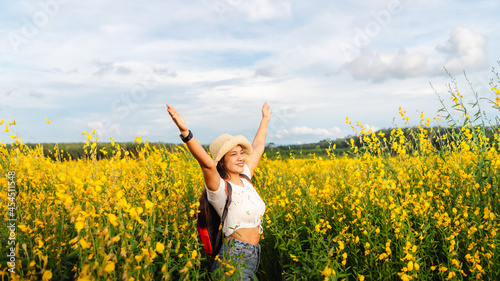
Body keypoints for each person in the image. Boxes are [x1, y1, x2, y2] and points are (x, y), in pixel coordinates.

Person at [166, 102, 272, 280]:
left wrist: (265, 119)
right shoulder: (220, 189)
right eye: (233, 154)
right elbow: (207, 164)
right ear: (222, 161)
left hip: (253, 255)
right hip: (234, 257)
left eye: (241, 153)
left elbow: (258, 147)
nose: (241, 158)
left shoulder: (246, 178)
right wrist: (186, 133)